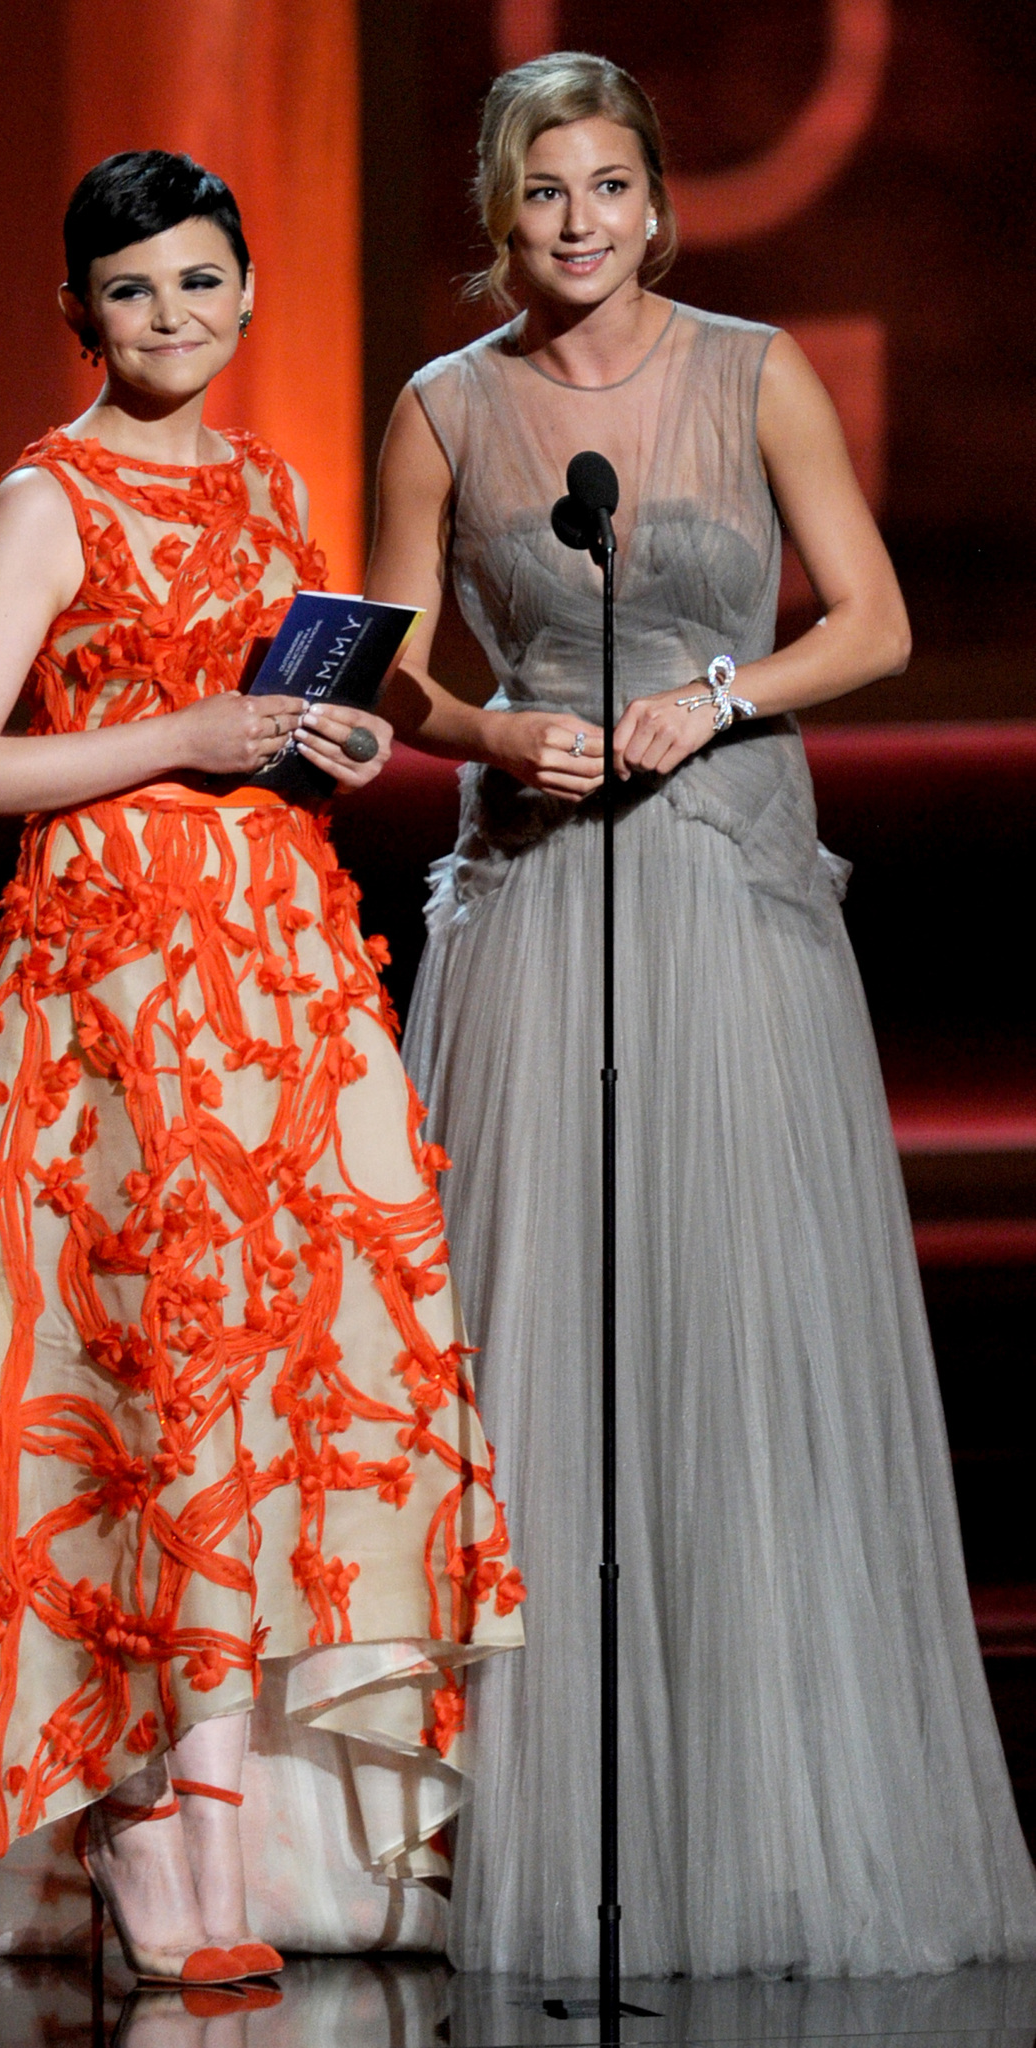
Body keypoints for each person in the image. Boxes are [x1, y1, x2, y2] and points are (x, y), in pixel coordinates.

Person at [0, 149, 523, 1998]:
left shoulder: (268, 480)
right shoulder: (43, 498)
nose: (175, 319)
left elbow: (270, 718)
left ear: (245, 294)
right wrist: (193, 729)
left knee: (259, 1390)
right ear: (82, 310)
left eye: (204, 284)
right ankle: (139, 1827)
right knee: (114, 1388)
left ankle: (241, 1832)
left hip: (278, 978)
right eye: (136, 291)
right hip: (114, 986)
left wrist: (316, 738)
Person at [365, 52, 1036, 1979]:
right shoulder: (442, 409)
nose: (578, 219)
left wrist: (724, 693)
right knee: (545, 1360)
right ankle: (549, 1827)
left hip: (734, 895)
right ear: (504, 217)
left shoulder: (757, 371)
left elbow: (877, 621)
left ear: (660, 200)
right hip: (541, 900)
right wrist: (500, 729)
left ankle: (765, 1818)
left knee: (739, 1336)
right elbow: (401, 669)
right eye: (542, 191)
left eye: (607, 184)